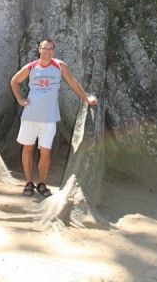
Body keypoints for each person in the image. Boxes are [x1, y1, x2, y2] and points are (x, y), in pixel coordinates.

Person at [10, 38, 98, 198]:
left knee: (45, 152)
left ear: (54, 51)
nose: (48, 51)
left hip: (49, 117)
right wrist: (19, 99)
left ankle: (41, 183)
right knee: (28, 149)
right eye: (45, 48)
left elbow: (72, 82)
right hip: (30, 115)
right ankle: (29, 182)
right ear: (39, 49)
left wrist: (86, 99)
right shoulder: (31, 67)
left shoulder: (59, 66)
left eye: (51, 49)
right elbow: (14, 81)